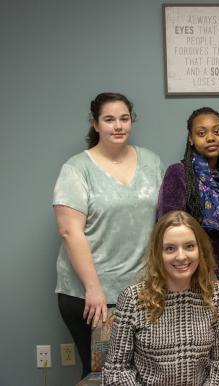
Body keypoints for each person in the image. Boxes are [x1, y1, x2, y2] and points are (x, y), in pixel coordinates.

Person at [53, 92, 164, 378]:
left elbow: (165, 221)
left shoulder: (151, 162)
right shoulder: (77, 169)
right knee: (100, 375)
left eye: (124, 119)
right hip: (89, 294)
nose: (118, 126)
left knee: (144, 374)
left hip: (141, 292)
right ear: (95, 124)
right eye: (109, 119)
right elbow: (69, 231)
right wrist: (93, 288)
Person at [102, 211, 219, 385]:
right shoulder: (133, 299)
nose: (181, 256)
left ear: (200, 250)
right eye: (170, 248)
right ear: (158, 253)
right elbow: (116, 370)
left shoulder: (215, 297)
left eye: (189, 246)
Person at [157, 107, 219, 301]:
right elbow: (169, 234)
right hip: (193, 281)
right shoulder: (178, 174)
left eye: (217, 131)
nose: (210, 138)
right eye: (202, 133)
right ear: (191, 139)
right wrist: (208, 278)